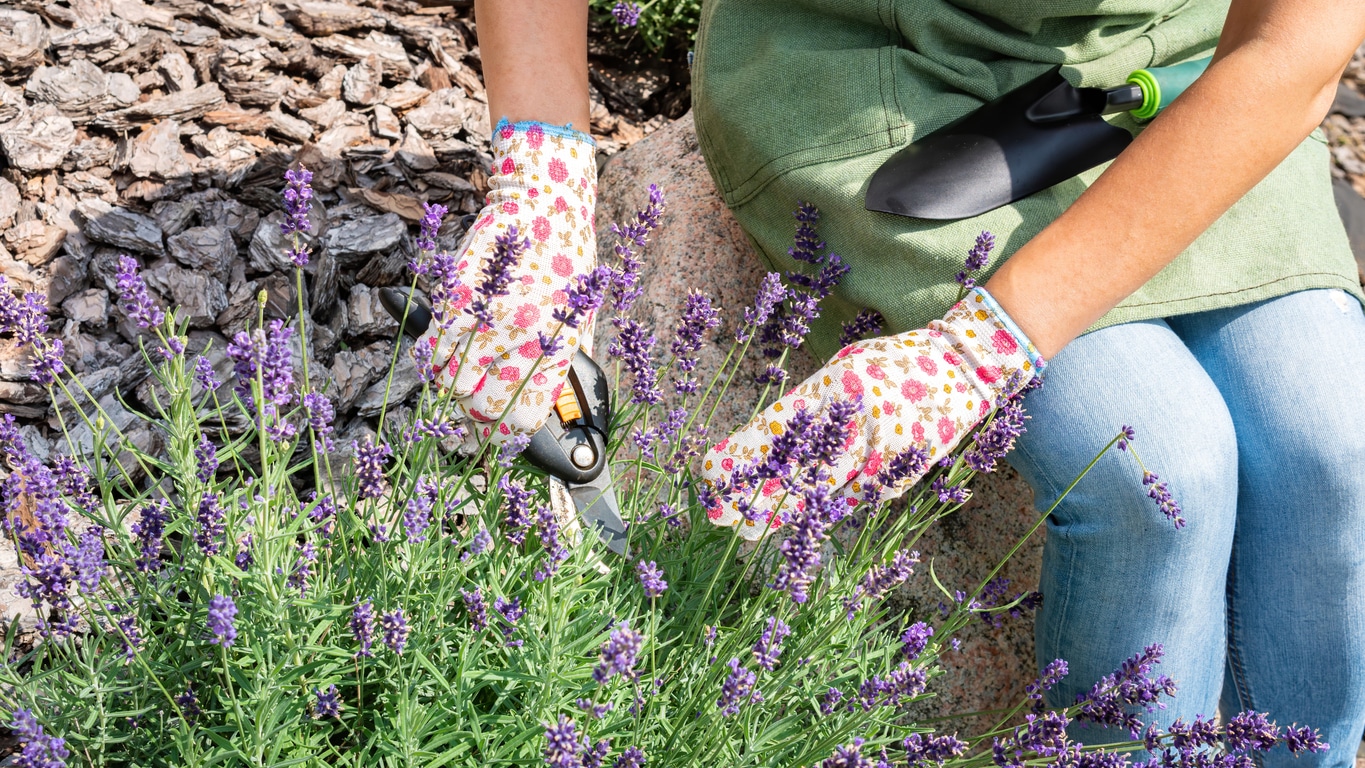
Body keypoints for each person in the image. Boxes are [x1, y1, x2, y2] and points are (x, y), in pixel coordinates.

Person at [421, 2, 1365, 763]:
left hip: (1188, 68)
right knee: (1160, 476)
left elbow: (1297, 39)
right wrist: (541, 171)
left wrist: (980, 350)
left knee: (1334, 451)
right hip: (876, 66)